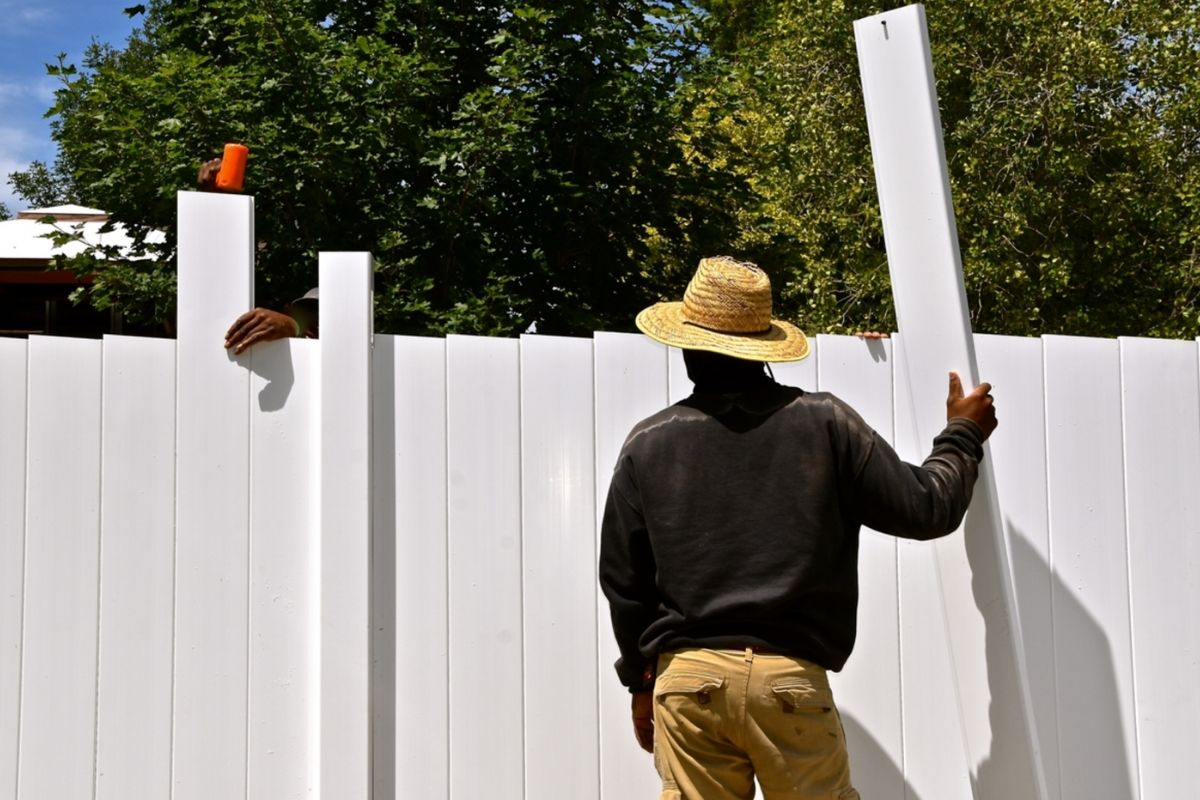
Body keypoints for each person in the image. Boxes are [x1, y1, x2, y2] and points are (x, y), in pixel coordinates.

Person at [598, 256, 996, 800]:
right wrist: (963, 434)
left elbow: (624, 582)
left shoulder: (648, 443)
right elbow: (928, 509)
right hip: (787, 680)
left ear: (688, 347)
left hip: (688, 685)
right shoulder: (825, 424)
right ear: (762, 349)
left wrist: (642, 682)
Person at [196, 156, 319, 353]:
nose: (315, 324)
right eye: (309, 314)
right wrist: (218, 202)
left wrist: (291, 326)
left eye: (321, 317)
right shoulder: (271, 349)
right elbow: (219, 280)